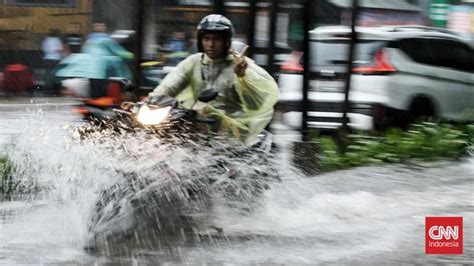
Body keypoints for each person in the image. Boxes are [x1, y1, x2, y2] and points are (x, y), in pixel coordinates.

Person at [148, 14, 279, 145]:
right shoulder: (194, 62)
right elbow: (170, 85)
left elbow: (255, 104)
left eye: (217, 39)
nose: (211, 44)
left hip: (233, 135)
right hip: (199, 130)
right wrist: (149, 104)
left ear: (227, 42)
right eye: (206, 39)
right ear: (201, 41)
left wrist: (243, 78)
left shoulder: (240, 65)